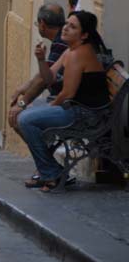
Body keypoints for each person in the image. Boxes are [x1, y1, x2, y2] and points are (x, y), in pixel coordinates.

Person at [18, 11, 111, 192]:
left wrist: (49, 108)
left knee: (26, 120)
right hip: (76, 109)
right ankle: (50, 171)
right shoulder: (70, 50)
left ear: (84, 35)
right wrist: (41, 60)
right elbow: (49, 78)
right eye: (66, 24)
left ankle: (52, 173)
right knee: (25, 115)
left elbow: (67, 93)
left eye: (73, 26)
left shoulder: (79, 54)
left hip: (86, 115)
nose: (66, 28)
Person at [8, 3, 68, 129]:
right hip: (62, 101)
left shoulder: (61, 44)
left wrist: (22, 103)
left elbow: (44, 80)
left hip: (66, 104)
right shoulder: (60, 41)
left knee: (20, 119)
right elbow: (45, 75)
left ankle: (41, 149)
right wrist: (26, 86)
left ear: (42, 23)